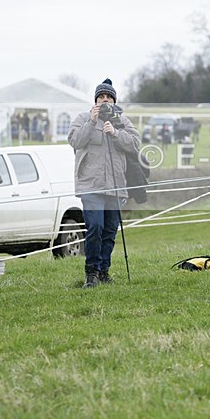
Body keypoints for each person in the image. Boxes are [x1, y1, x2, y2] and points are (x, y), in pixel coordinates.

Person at [68, 79, 140, 288]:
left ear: (114, 100)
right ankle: (91, 272)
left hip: (116, 186)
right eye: (101, 97)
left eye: (109, 97)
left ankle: (103, 270)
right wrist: (92, 123)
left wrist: (116, 133)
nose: (105, 100)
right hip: (90, 185)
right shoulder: (83, 118)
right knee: (95, 227)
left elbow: (135, 144)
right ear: (96, 100)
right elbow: (74, 141)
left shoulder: (122, 121)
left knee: (109, 230)